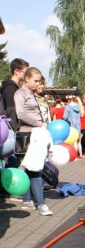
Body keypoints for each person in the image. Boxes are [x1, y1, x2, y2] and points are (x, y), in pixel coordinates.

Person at [14, 67, 53, 216]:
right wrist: (38, 123)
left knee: (32, 170)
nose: (38, 83)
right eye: (35, 81)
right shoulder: (20, 93)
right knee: (35, 171)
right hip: (27, 136)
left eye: (39, 81)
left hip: (36, 134)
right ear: (27, 79)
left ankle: (27, 200)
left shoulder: (31, 93)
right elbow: (21, 113)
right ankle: (41, 204)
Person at [1, 58, 29, 131]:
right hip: (11, 129)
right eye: (25, 72)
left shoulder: (16, 87)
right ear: (16, 71)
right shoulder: (10, 88)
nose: (27, 75)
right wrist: (15, 130)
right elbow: (11, 110)